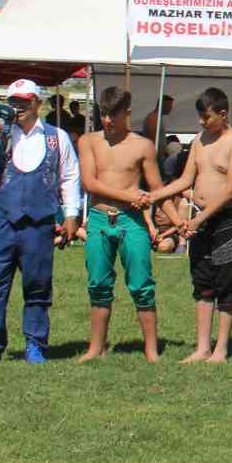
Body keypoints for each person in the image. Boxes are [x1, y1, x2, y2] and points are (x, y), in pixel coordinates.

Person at [0, 80, 82, 364]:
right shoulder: (0, 134)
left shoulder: (57, 137)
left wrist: (72, 215)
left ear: (36, 104)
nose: (17, 108)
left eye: (23, 102)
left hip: (39, 221)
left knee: (38, 285)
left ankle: (35, 343)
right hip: (2, 220)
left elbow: (69, 177)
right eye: (13, 101)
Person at [145, 88, 232, 364]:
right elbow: (185, 179)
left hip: (229, 220)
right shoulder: (199, 141)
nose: (202, 123)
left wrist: (198, 219)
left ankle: (221, 349)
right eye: (200, 117)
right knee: (202, 282)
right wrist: (154, 195)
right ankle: (202, 347)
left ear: (223, 114)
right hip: (201, 218)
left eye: (207, 117)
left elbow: (230, 191)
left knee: (226, 283)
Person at [75, 86, 171, 363]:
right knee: (97, 284)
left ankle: (151, 350)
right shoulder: (88, 141)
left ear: (127, 112)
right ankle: (96, 347)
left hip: (132, 222)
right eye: (104, 114)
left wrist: (178, 220)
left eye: (113, 115)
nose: (107, 121)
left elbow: (156, 189)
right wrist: (130, 196)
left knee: (142, 284)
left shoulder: (143, 146)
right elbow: (90, 183)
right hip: (99, 219)